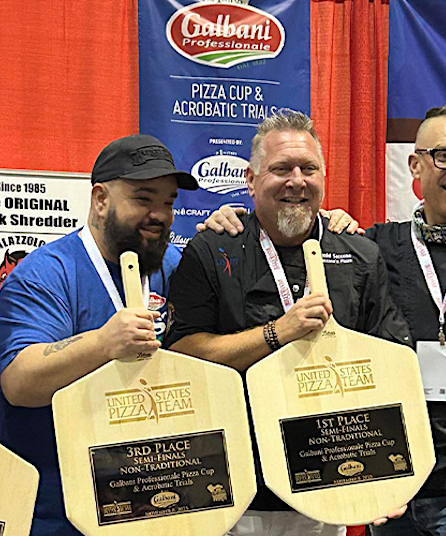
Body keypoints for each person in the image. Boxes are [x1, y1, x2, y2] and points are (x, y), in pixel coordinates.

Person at [200, 104, 446, 536]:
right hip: (385, 465)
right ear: (416, 164)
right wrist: (233, 217)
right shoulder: (373, 246)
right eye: (444, 155)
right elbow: (296, 229)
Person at [164, 109, 412, 536]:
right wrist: (277, 333)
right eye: (281, 169)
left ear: (323, 177)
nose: (296, 181)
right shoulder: (211, 248)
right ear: (251, 179)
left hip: (330, 480)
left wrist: (393, 473)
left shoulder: (360, 254)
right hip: (234, 489)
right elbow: (183, 354)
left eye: (308, 169)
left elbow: (391, 367)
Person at [0, 134, 199, 535]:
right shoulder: (45, 274)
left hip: (140, 493)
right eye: (143, 199)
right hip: (48, 506)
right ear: (100, 199)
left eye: (168, 202)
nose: (160, 214)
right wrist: (102, 343)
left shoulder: (173, 264)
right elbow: (20, 383)